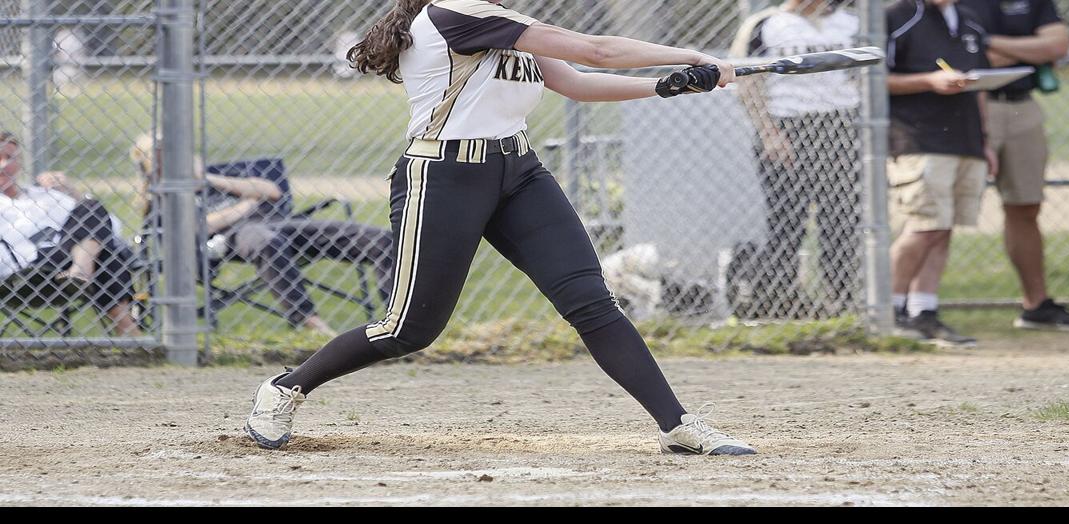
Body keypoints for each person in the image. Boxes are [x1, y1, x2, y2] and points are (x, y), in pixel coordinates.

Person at [244, 0, 756, 456]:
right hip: (444, 177)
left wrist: (665, 86)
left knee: (592, 302)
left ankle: (677, 424)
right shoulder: (456, 13)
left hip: (519, 172)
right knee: (409, 329)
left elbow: (576, 83)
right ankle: (286, 387)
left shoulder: (504, 23)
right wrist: (691, 56)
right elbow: (597, 50)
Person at [131, 134, 395, 337]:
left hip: (285, 223)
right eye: (164, 156)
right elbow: (201, 227)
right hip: (237, 236)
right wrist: (245, 205)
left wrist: (208, 179)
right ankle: (310, 322)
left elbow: (271, 190)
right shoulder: (164, 199)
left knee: (381, 239)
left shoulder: (220, 176)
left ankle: (395, 319)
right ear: (152, 167)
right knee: (267, 242)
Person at [958, 0, 1069, 330]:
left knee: (1026, 206)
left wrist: (988, 41)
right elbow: (964, 59)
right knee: (940, 212)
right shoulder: (954, 5)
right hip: (967, 107)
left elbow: (1057, 45)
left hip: (1023, 107)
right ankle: (917, 306)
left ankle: (1036, 306)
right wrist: (1028, 52)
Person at [729, 0, 862, 319]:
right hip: (789, 123)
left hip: (841, 121)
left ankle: (841, 298)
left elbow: (862, 78)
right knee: (788, 219)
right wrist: (769, 132)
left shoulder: (852, 23)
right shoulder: (767, 24)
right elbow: (748, 81)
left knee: (841, 218)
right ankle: (783, 297)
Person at [885, 0, 996, 346]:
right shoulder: (897, 16)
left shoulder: (969, 19)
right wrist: (929, 81)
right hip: (918, 137)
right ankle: (889, 310)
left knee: (943, 227)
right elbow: (876, 79)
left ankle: (924, 311)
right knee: (924, 225)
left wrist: (984, 139)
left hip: (964, 138)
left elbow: (977, 85)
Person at [1, 130, 142, 336]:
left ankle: (80, 269)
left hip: (65, 265)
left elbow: (112, 227)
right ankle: (130, 334)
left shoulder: (47, 196)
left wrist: (71, 192)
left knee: (91, 207)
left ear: (21, 163)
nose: (5, 165)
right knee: (105, 256)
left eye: (10, 158)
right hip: (24, 270)